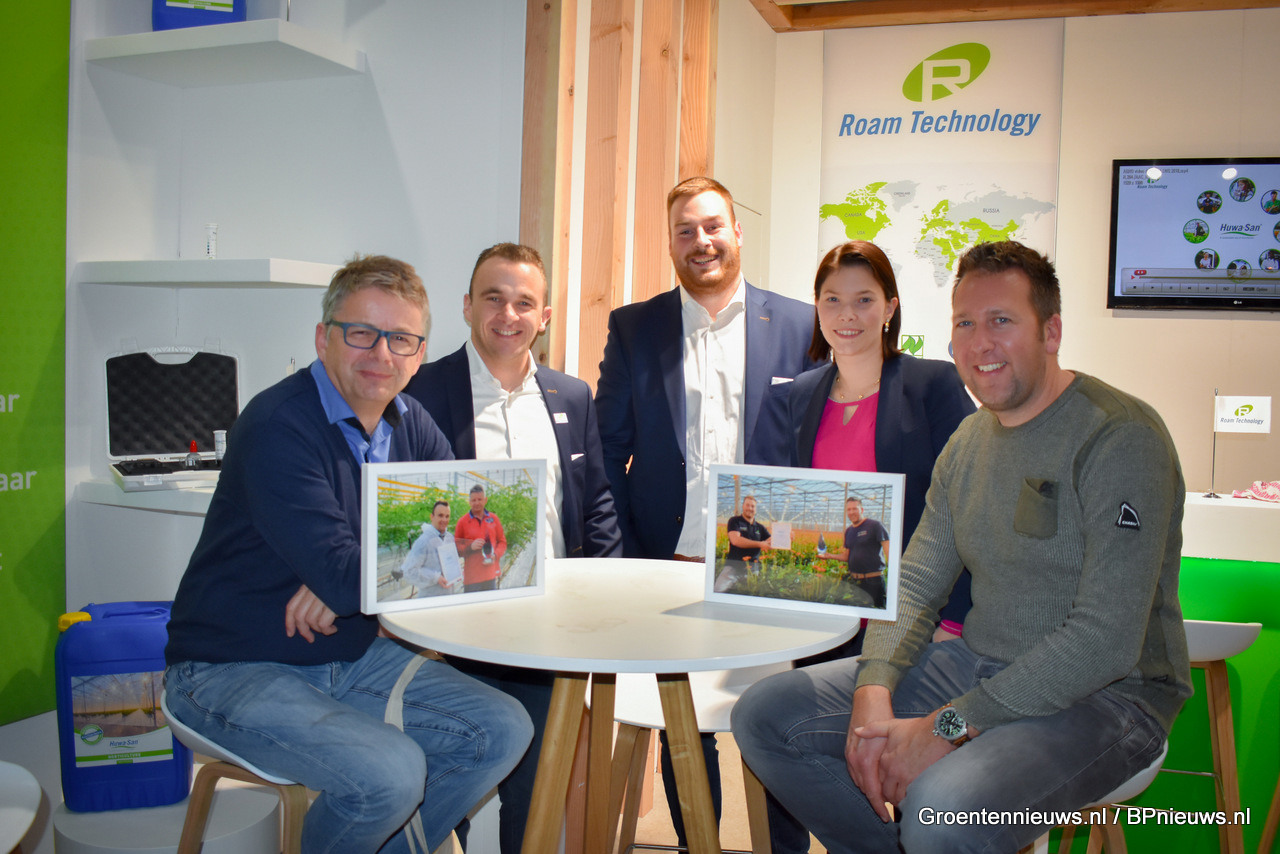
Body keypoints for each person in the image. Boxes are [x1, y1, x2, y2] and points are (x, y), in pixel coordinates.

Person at [732, 240, 1191, 853]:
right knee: (764, 716)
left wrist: (947, 727)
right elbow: (918, 580)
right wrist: (873, 686)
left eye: (1002, 320)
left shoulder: (1120, 436)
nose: (980, 344)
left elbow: (1105, 642)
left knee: (940, 810)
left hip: (1112, 699)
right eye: (965, 324)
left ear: (1051, 331)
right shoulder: (970, 440)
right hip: (978, 663)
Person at [164, 254, 533, 854]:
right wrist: (353, 575)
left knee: (503, 727)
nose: (381, 354)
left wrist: (356, 574)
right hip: (231, 668)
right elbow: (349, 577)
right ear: (323, 338)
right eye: (361, 333)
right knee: (390, 775)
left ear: (418, 353)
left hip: (349, 652)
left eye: (401, 339)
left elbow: (458, 543)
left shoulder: (410, 423)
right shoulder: (278, 424)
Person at [595, 176, 818, 845]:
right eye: (685, 230)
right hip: (670, 563)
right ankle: (699, 842)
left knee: (776, 720)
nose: (702, 241)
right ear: (670, 243)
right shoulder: (635, 329)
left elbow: (816, 450)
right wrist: (625, 556)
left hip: (768, 568)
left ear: (738, 232)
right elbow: (608, 449)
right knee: (683, 727)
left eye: (714, 225)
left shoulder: (801, 324)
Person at [750, 238, 977, 854]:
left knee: (907, 771)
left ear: (890, 307)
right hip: (824, 621)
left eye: (863, 299)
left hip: (916, 625)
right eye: (832, 300)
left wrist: (952, 622)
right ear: (817, 308)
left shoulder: (933, 386)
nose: (846, 315)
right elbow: (776, 506)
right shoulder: (795, 396)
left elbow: (967, 511)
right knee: (819, 762)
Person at [403, 241, 620, 853]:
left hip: (546, 627)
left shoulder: (571, 396)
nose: (508, 314)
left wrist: (601, 596)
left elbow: (597, 502)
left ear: (544, 317)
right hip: (452, 628)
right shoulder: (419, 390)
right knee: (452, 776)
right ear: (467, 306)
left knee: (536, 784)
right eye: (493, 298)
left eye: (524, 302)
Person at [816, 497, 889, 608]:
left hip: (873, 581)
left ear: (862, 510)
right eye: (849, 510)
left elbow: (889, 551)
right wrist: (829, 555)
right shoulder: (849, 531)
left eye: (854, 509)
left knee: (876, 613)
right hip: (855, 582)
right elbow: (846, 556)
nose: (851, 512)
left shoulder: (875, 525)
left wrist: (895, 575)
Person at [714, 494, 772, 593]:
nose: (750, 508)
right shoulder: (735, 521)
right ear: (743, 506)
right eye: (747, 505)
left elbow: (771, 542)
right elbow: (735, 540)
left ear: (756, 509)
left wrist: (786, 538)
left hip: (752, 568)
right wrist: (759, 544)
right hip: (733, 566)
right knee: (718, 590)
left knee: (751, 593)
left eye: (753, 506)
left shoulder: (760, 527)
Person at [454, 484, 506, 593]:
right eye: (473, 500)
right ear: (469, 502)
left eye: (479, 499)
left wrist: (496, 555)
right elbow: (456, 548)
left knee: (490, 603)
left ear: (485, 500)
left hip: (490, 575)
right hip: (472, 579)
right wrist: (470, 547)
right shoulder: (462, 522)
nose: (477, 503)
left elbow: (502, 542)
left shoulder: (493, 519)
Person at [398, 500, 456, 594]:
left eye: (447, 516)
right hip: (431, 595)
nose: (444, 520)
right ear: (432, 517)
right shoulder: (423, 541)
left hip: (449, 593)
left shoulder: (449, 538)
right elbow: (409, 571)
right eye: (440, 515)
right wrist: (435, 577)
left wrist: (457, 573)